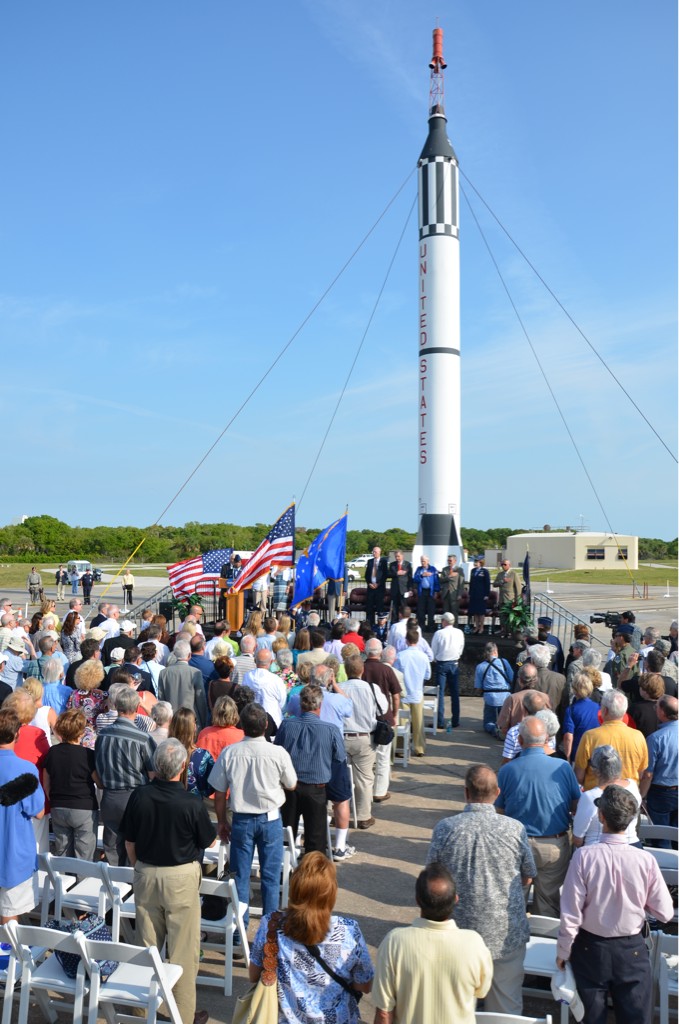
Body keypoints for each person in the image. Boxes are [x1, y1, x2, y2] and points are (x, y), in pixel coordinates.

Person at [557, 785, 674, 1024]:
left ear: (601, 817)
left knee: (590, 1018)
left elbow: (571, 914)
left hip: (590, 948)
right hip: (631, 949)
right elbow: (665, 912)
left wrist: (563, 951)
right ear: (632, 819)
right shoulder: (645, 860)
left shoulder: (583, 856)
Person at [121, 738, 215, 1024]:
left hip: (147, 874)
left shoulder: (140, 796)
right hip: (181, 878)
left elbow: (129, 842)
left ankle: (139, 1012)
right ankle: (183, 1017)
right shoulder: (191, 802)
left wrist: (140, 868)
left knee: (146, 949)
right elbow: (206, 841)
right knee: (183, 953)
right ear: (183, 767)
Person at [426, 764, 533, 1015]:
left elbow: (431, 876)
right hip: (506, 934)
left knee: (455, 1007)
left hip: (457, 932)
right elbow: (529, 875)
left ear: (466, 793)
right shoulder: (514, 828)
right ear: (497, 792)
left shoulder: (446, 828)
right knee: (506, 1007)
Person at [249, 852, 373, 1024]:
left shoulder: (271, 924)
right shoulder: (349, 930)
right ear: (331, 892)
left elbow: (254, 975)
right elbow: (364, 985)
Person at [208, 702, 297, 929]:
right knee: (269, 877)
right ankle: (268, 934)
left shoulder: (231, 753)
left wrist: (221, 821)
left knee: (240, 877)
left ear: (242, 725)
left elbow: (219, 793)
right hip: (270, 819)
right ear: (266, 725)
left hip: (242, 820)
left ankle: (240, 930)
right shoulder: (277, 753)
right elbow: (292, 784)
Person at [373, 862, 492, 1024]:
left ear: (417, 901)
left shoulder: (394, 942)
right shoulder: (474, 943)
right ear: (455, 899)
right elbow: (482, 991)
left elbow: (384, 1012)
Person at [496, 716, 580, 916]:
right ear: (546, 740)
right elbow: (576, 804)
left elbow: (499, 811)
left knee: (514, 901)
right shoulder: (563, 767)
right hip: (554, 845)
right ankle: (543, 941)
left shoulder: (507, 770)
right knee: (548, 902)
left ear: (520, 741)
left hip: (516, 844)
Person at [276, 684, 347, 854]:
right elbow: (339, 757)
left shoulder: (286, 725)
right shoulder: (330, 729)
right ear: (320, 705)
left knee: (287, 837)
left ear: (301, 704)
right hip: (316, 788)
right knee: (316, 842)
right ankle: (312, 876)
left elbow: (276, 751)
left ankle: (285, 872)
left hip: (290, 788)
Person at [93, 686, 156, 864]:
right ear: (136, 708)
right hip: (135, 797)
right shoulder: (143, 738)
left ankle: (114, 886)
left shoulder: (103, 735)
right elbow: (152, 774)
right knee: (136, 845)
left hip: (110, 796)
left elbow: (98, 765)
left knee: (112, 846)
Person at [0, 708, 45, 924]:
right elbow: (38, 812)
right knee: (10, 919)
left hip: (12, 854)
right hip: (13, 855)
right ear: (17, 734)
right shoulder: (24, 769)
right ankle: (5, 958)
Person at [42, 708, 99, 860]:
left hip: (58, 806)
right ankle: (82, 882)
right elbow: (99, 783)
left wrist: (53, 799)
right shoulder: (87, 754)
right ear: (80, 733)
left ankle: (63, 882)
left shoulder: (52, 752)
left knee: (62, 853)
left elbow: (46, 783)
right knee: (84, 857)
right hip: (83, 807)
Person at [574, 689, 648, 790]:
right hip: (628, 797)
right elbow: (641, 772)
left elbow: (579, 775)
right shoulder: (638, 736)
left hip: (597, 796)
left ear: (604, 711)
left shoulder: (589, 736)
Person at [572, 745, 642, 848]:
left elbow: (577, 839)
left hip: (597, 849)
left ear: (594, 770)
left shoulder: (590, 797)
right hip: (632, 846)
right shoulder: (632, 785)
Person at [362, 638, 401, 802]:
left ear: (365, 651)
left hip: (364, 717)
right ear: (380, 653)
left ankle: (366, 791)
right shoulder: (387, 670)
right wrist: (394, 714)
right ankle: (379, 792)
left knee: (365, 759)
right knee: (383, 758)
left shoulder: (361, 668)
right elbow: (396, 696)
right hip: (383, 717)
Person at [639, 694, 678, 837]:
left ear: (662, 712)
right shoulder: (656, 738)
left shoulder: (656, 738)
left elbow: (648, 774)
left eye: (657, 706)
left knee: (661, 838)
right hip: (667, 790)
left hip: (662, 794)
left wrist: (641, 796)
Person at [395, 628, 431, 756]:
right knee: (418, 722)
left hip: (404, 693)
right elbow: (428, 675)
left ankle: (400, 748)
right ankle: (419, 748)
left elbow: (396, 674)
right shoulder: (423, 656)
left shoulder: (400, 656)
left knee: (402, 722)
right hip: (417, 692)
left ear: (406, 641)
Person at [158, 640, 208, 729]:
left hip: (171, 722)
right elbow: (201, 701)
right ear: (189, 655)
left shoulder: (164, 673)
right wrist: (203, 723)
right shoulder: (195, 673)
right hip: (190, 721)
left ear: (175, 654)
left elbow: (161, 700)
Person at [429, 611, 464, 732]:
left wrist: (434, 659)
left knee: (440, 694)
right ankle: (455, 720)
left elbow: (433, 650)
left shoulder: (439, 633)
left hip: (442, 664)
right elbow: (461, 649)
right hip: (454, 663)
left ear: (444, 621)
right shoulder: (459, 632)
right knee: (454, 693)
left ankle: (439, 721)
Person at [169, 707, 214, 800]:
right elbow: (210, 787)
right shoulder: (203, 756)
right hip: (194, 807)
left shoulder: (164, 752)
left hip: (168, 804)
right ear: (193, 728)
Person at [67, 658, 108, 749]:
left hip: (76, 735)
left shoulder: (73, 694)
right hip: (95, 737)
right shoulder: (102, 695)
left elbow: (69, 713)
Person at [473, 641, 512, 737]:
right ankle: (504, 729)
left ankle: (495, 729)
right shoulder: (504, 662)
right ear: (495, 651)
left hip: (490, 698)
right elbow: (511, 678)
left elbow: (478, 687)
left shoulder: (480, 666)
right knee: (506, 719)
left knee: (488, 722)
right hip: (506, 697)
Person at [562, 673, 601, 761]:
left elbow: (568, 736)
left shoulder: (571, 710)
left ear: (575, 690)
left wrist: (567, 758)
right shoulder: (599, 708)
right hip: (596, 754)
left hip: (578, 755)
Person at [196, 694, 244, 761]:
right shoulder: (241, 736)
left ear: (215, 712)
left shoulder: (204, 733)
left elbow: (198, 761)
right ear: (234, 714)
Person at [493, 559, 521, 636]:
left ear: (509, 565)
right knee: (502, 617)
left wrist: (517, 600)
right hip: (502, 599)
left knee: (510, 617)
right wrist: (502, 581)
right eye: (502, 564)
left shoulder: (513, 574)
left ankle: (511, 632)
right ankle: (504, 631)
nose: (503, 566)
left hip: (510, 600)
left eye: (505, 564)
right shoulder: (500, 574)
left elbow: (518, 588)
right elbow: (494, 584)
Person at [413, 555, 439, 632]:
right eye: (421, 561)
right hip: (422, 591)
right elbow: (415, 579)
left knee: (431, 610)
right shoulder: (419, 569)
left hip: (430, 592)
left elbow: (436, 581)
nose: (422, 562)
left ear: (428, 561)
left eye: (424, 561)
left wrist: (436, 591)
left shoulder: (433, 569)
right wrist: (422, 575)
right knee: (421, 610)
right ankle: (422, 627)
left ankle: (430, 627)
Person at [365, 546, 389, 627]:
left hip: (380, 588)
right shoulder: (370, 561)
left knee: (379, 607)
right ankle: (370, 624)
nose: (373, 553)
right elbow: (367, 574)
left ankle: (380, 625)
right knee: (369, 607)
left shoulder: (383, 561)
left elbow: (385, 575)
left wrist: (378, 584)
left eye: (375, 552)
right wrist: (369, 583)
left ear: (379, 552)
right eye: (373, 551)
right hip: (370, 588)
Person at [388, 550, 413, 622]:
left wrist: (410, 589)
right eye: (396, 556)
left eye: (398, 556)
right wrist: (397, 573)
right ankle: (394, 622)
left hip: (404, 590)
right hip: (395, 589)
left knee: (404, 607)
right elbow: (388, 574)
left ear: (402, 556)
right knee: (394, 607)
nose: (397, 558)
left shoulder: (407, 564)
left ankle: (404, 622)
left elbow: (410, 578)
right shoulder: (392, 564)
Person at [438, 554, 465, 622]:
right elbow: (440, 580)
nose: (449, 562)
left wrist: (459, 594)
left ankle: (455, 628)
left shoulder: (459, 570)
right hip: (446, 594)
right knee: (445, 613)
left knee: (454, 613)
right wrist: (448, 576)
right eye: (448, 560)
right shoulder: (445, 569)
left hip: (454, 594)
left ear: (455, 561)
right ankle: (444, 627)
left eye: (450, 560)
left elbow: (461, 584)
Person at [467, 557, 490, 634]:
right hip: (474, 594)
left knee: (481, 612)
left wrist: (487, 594)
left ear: (481, 563)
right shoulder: (473, 571)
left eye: (477, 562)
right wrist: (469, 593)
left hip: (481, 594)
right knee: (475, 612)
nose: (475, 563)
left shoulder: (485, 571)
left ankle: (481, 627)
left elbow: (487, 583)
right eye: (475, 562)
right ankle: (476, 627)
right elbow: (471, 583)